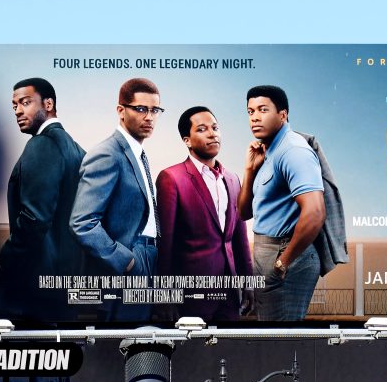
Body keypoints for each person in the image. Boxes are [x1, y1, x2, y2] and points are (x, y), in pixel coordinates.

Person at [68, 77, 163, 318]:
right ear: (121, 111)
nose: (149, 117)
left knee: (143, 337)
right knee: (124, 341)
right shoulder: (107, 154)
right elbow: (82, 223)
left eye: (155, 110)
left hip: (150, 257)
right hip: (130, 260)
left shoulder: (138, 153)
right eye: (141, 109)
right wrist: (126, 261)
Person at [0, 77, 88, 322]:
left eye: (25, 102)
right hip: (64, 290)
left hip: (35, 290)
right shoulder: (77, 150)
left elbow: (35, 219)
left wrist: (6, 258)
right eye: (14, 105)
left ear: (48, 104)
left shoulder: (42, 144)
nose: (17, 111)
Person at [153, 105, 252, 321]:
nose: (212, 133)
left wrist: (247, 283)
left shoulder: (233, 179)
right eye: (202, 129)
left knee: (227, 352)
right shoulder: (171, 178)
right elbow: (165, 242)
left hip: (229, 293)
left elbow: (239, 239)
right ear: (186, 140)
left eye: (215, 127)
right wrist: (164, 294)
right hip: (190, 296)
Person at [239, 85, 327, 323]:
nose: (255, 117)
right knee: (269, 336)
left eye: (263, 109)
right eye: (250, 111)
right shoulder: (269, 153)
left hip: (285, 254)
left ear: (283, 114)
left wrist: (282, 263)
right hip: (265, 252)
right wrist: (249, 170)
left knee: (281, 342)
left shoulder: (293, 150)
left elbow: (315, 212)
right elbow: (244, 212)